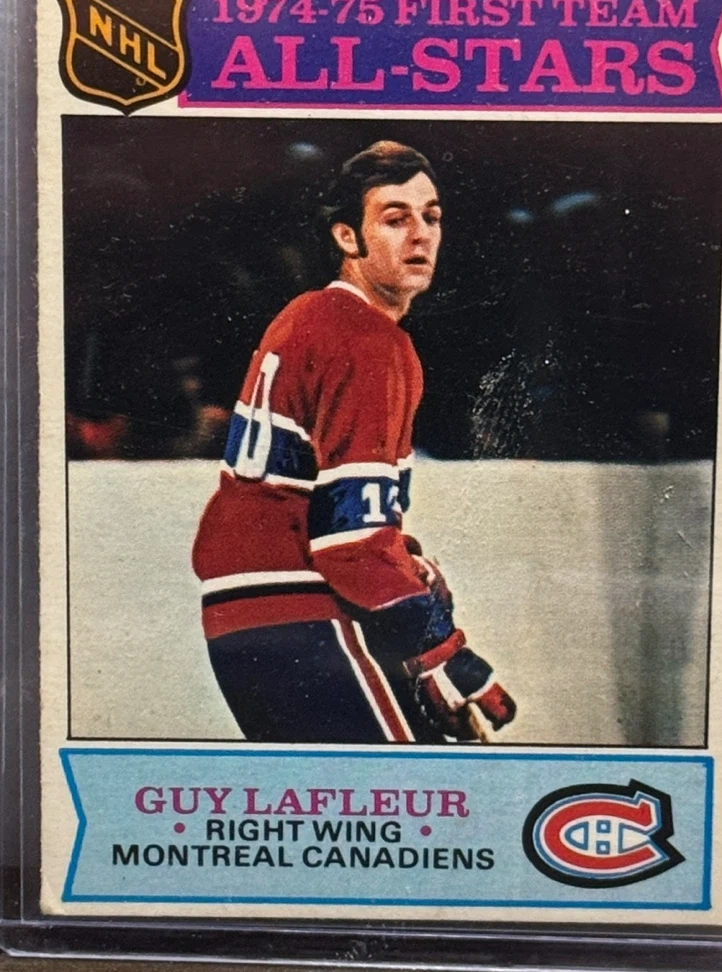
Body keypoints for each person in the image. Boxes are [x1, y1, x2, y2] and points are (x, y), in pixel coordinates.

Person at [192, 140, 515, 744]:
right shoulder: (368, 338)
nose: (420, 235)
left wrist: (405, 567)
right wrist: (444, 654)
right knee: (410, 792)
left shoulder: (305, 314)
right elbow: (351, 543)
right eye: (395, 219)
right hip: (303, 612)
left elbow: (324, 503)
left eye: (431, 217)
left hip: (240, 623)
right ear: (347, 237)